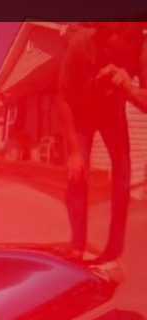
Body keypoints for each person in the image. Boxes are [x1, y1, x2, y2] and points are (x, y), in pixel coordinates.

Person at [57, 23, 147, 263]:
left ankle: (114, 248)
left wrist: (129, 88)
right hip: (81, 115)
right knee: (77, 174)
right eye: (114, 52)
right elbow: (64, 98)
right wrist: (74, 152)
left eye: (124, 55)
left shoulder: (141, 49)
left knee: (124, 172)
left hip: (111, 114)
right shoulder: (80, 44)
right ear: (106, 36)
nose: (118, 58)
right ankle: (77, 245)